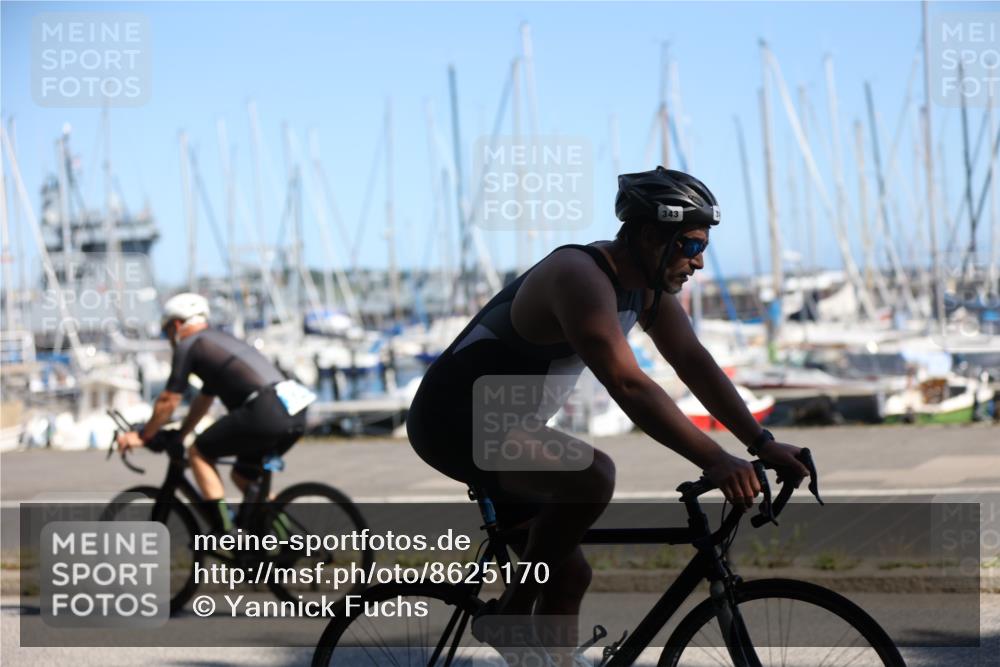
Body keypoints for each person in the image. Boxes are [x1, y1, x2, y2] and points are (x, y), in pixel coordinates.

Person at [406, 167, 811, 661]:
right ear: (648, 236)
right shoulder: (579, 278)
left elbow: (694, 364)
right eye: (689, 245)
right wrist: (715, 459)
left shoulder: (646, 292)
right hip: (454, 420)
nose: (699, 261)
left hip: (506, 425)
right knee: (593, 475)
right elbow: (628, 383)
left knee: (569, 573)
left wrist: (762, 443)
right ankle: (511, 615)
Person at [117, 293, 315, 533]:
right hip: (294, 409)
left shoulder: (189, 345)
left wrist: (144, 436)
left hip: (265, 410)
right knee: (244, 478)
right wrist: (181, 433)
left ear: (177, 325)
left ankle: (227, 533)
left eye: (166, 331)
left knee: (199, 453)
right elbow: (204, 400)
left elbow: (169, 399)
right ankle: (287, 542)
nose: (168, 338)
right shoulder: (218, 341)